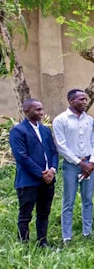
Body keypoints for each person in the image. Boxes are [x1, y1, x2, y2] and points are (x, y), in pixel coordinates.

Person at [53, 89, 94, 245]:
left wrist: (92, 162)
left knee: (88, 200)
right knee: (69, 201)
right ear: (71, 101)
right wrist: (81, 163)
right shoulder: (61, 120)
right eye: (81, 99)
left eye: (85, 99)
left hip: (89, 164)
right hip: (72, 165)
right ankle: (67, 236)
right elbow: (61, 146)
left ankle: (87, 232)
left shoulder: (90, 120)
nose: (84, 102)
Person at [11, 99, 58, 247]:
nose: (41, 113)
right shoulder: (18, 131)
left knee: (44, 213)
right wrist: (41, 173)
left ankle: (42, 242)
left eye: (41, 109)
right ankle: (23, 245)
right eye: (37, 110)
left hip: (48, 180)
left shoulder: (45, 130)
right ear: (26, 111)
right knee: (25, 215)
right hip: (29, 181)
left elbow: (53, 152)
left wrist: (52, 170)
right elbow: (21, 157)